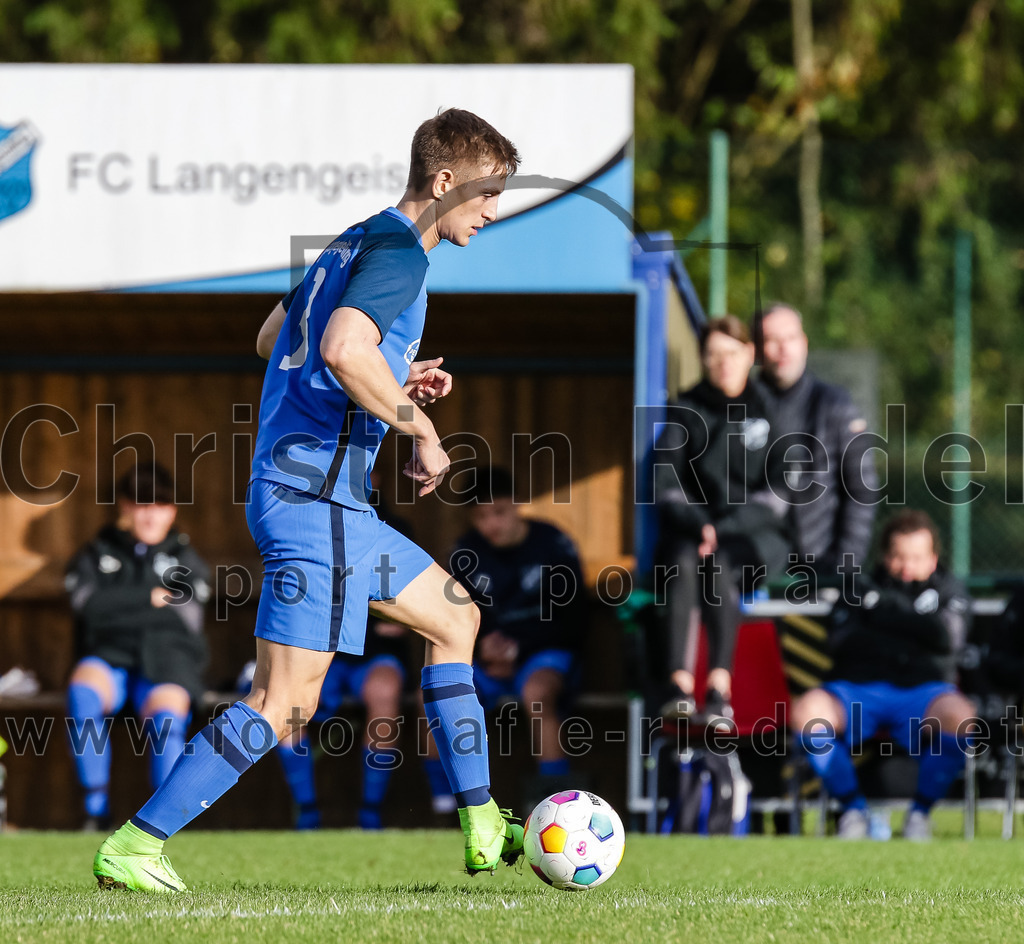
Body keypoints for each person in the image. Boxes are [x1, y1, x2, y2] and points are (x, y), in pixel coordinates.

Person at [93, 108, 523, 891]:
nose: (495, 211)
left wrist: (394, 369)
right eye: (489, 194)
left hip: (331, 506)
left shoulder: (352, 239)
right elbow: (339, 348)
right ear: (444, 182)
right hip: (313, 502)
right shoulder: (400, 254)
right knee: (284, 704)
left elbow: (272, 338)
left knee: (455, 614)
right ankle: (136, 841)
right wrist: (419, 423)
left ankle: (482, 818)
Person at [790, 510, 976, 840]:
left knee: (961, 717)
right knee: (808, 713)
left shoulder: (950, 590)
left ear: (933, 558)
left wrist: (881, 611)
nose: (907, 568)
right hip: (858, 690)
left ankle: (919, 815)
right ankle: (853, 812)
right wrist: (916, 630)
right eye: (899, 558)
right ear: (885, 555)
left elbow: (947, 638)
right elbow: (842, 640)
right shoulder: (860, 585)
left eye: (917, 558)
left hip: (922, 693)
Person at [653, 315, 792, 727]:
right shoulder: (684, 409)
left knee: (719, 566)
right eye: (712, 354)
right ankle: (678, 688)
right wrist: (701, 526)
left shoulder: (773, 410)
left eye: (730, 353)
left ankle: (719, 690)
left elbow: (779, 496)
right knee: (679, 564)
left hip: (754, 538)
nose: (722, 362)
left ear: (749, 354)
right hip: (694, 535)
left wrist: (723, 530)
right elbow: (665, 484)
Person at [424, 467, 586, 813]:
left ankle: (557, 807)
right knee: (437, 696)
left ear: (516, 505)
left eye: (498, 512)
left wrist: (519, 648)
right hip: (487, 663)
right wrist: (483, 651)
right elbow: (452, 616)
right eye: (481, 516)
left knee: (537, 695)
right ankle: (444, 806)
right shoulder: (466, 552)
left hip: (543, 655)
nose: (491, 523)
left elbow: (574, 619)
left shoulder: (553, 545)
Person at [65, 464, 210, 831]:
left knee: (167, 717)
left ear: (172, 510)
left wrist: (117, 605)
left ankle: (163, 825)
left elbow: (186, 619)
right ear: (124, 507)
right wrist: (150, 597)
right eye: (140, 504)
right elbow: (88, 609)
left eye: (159, 504)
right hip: (111, 656)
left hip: (166, 660)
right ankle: (95, 812)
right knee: (82, 691)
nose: (149, 514)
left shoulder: (185, 558)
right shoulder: (97, 551)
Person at [273, 479, 413, 831]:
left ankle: (370, 815)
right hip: (321, 644)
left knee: (384, 691)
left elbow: (400, 606)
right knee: (287, 705)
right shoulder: (308, 525)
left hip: (375, 652)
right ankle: (307, 814)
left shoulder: (394, 531)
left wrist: (388, 614)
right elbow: (299, 597)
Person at [755, 302, 877, 579]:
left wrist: (844, 564)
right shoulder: (740, 408)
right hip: (754, 560)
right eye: (772, 339)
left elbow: (862, 489)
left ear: (804, 343)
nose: (783, 348)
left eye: (790, 338)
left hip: (823, 562)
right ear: (756, 349)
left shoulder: (835, 404)